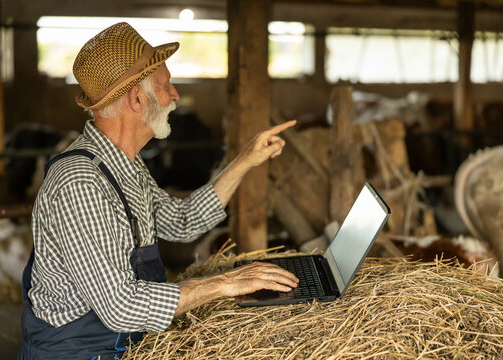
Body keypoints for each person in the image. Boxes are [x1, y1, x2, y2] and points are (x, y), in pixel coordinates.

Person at [18, 22, 299, 359]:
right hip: (78, 353)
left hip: (122, 346)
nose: (176, 95)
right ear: (137, 98)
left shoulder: (127, 166)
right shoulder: (80, 182)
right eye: (166, 85)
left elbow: (183, 221)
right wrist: (226, 283)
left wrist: (245, 161)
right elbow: (121, 307)